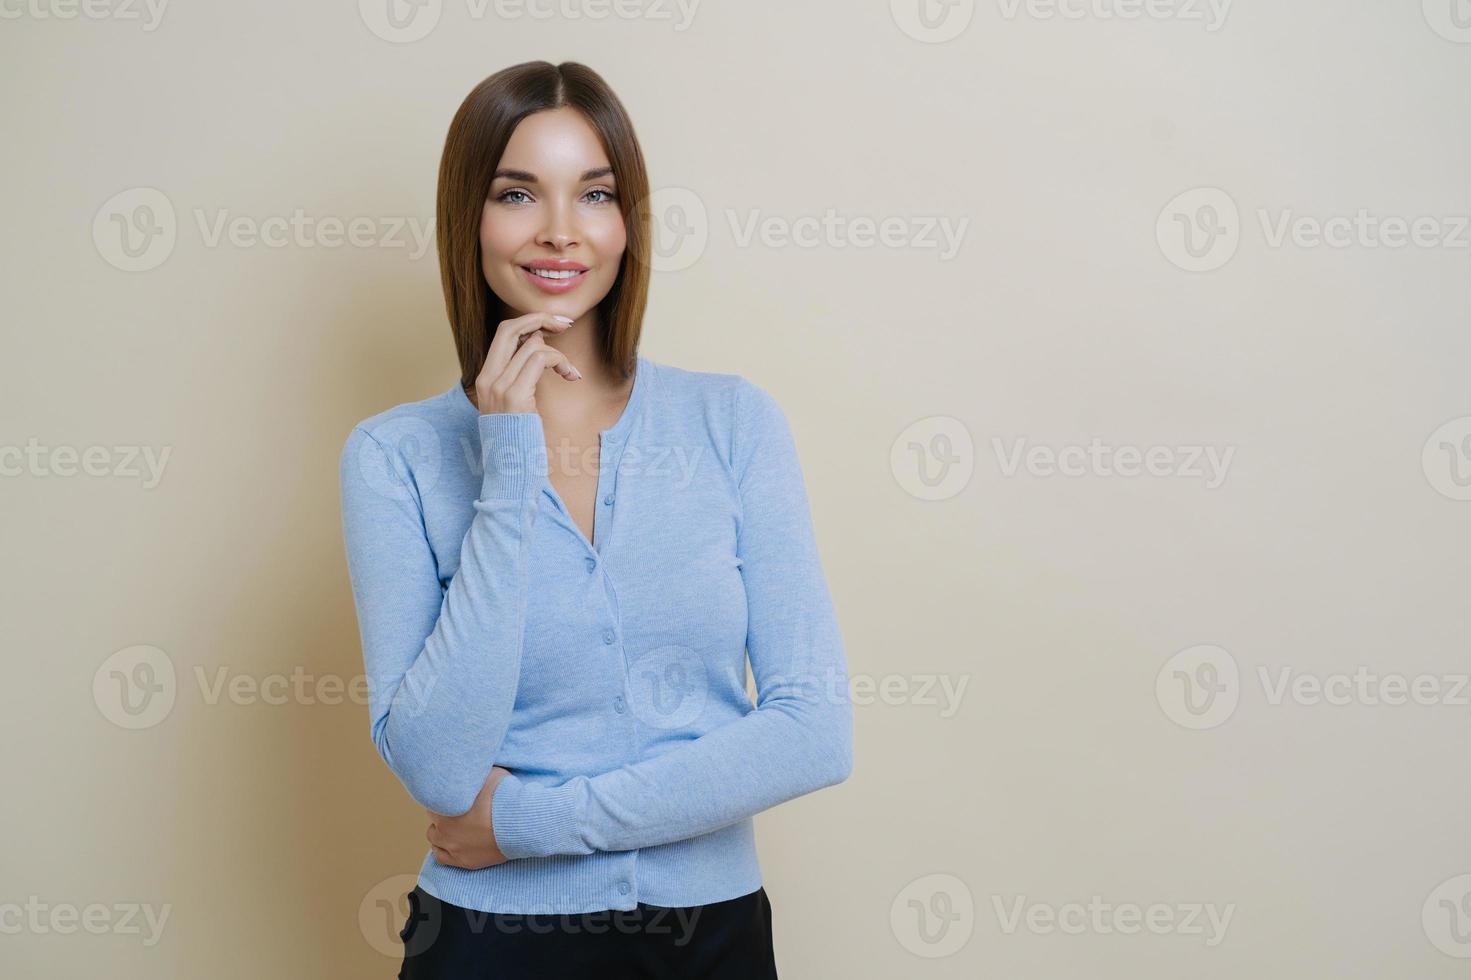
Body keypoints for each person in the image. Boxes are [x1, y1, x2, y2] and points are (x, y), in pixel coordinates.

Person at [338, 60, 852, 978]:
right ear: (470, 217)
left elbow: (812, 730)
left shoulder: (731, 423)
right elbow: (438, 771)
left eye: (596, 193)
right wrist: (506, 462)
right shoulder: (394, 456)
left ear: (628, 221)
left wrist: (534, 823)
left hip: (710, 937)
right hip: (482, 944)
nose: (561, 232)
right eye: (517, 193)